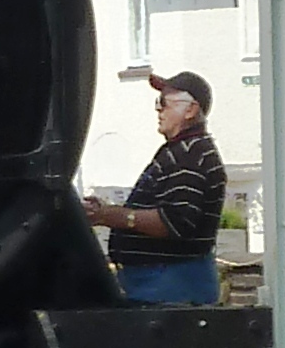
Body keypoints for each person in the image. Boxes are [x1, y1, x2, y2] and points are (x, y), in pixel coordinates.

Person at [82, 72, 227, 303]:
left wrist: (109, 215)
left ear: (190, 110)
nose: (158, 110)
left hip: (171, 285)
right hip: (163, 282)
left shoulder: (190, 156)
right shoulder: (183, 151)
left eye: (164, 103)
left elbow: (174, 221)